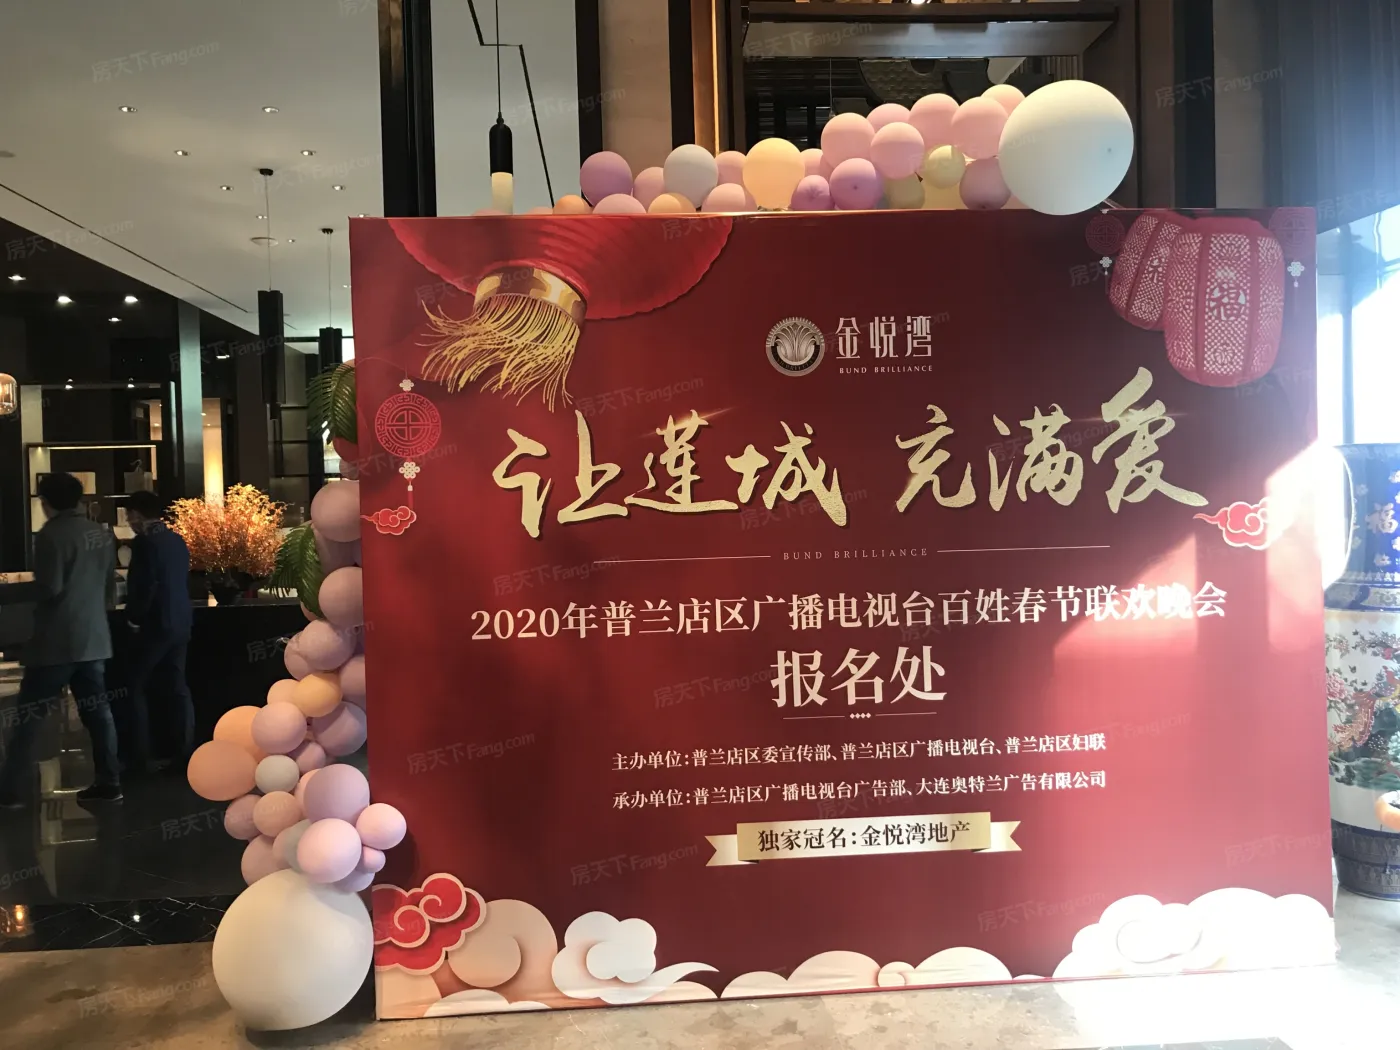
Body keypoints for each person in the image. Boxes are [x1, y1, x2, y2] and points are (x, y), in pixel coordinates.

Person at [0, 473, 122, 805]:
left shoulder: (51, 535)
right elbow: (109, 589)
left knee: (30, 716)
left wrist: (6, 593)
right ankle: (110, 782)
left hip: (55, 642)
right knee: (98, 715)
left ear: (45, 502)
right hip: (94, 640)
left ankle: (12, 790)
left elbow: (49, 587)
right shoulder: (100, 534)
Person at [122, 490, 194, 772]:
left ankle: (141, 755)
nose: (129, 521)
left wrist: (134, 618)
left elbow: (144, 585)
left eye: (129, 515)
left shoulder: (144, 543)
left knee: (134, 685)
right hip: (181, 622)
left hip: (156, 624)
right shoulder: (176, 540)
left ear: (137, 514)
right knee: (177, 686)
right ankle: (184, 751)